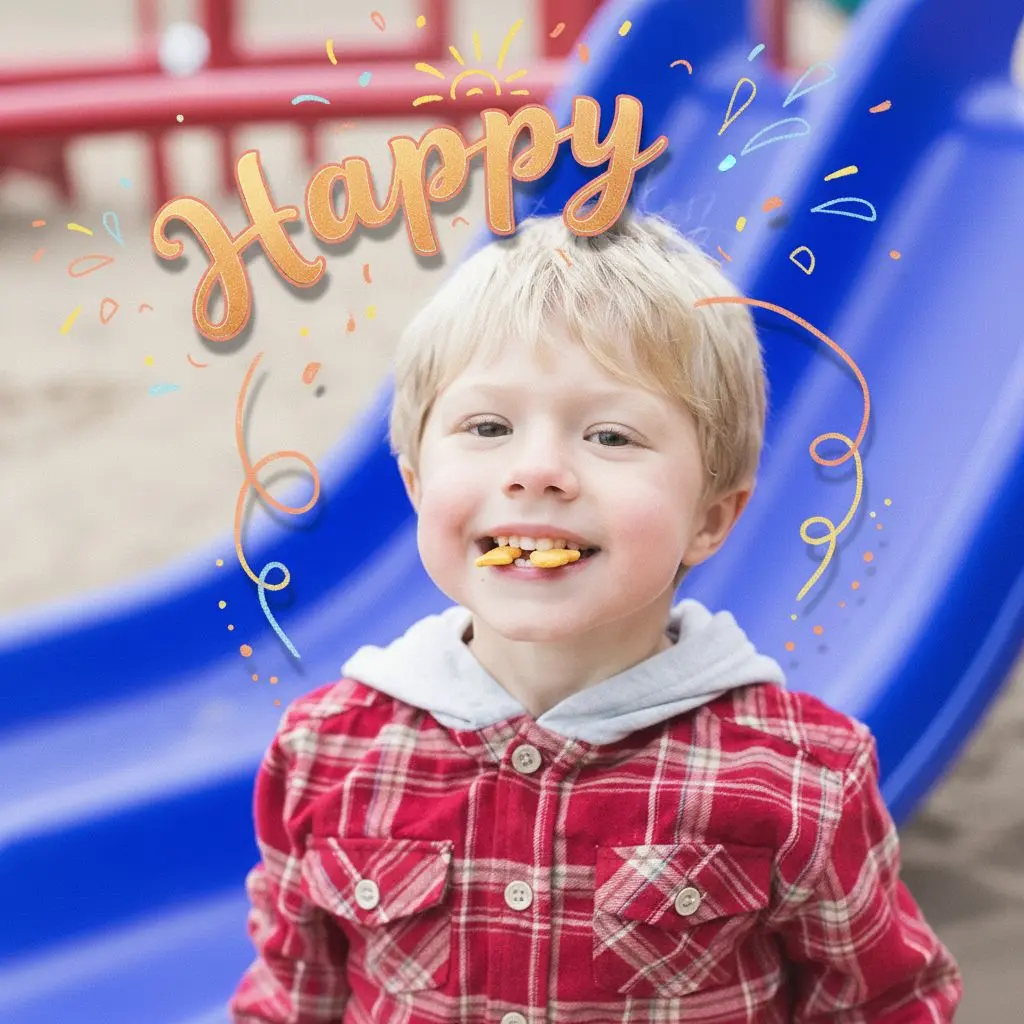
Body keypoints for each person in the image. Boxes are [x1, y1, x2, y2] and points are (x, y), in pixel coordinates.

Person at [229, 212, 962, 1022]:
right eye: (488, 427)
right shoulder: (327, 752)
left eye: (611, 435)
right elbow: (293, 997)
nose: (537, 469)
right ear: (414, 483)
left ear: (710, 519)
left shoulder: (800, 777)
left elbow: (886, 1002)